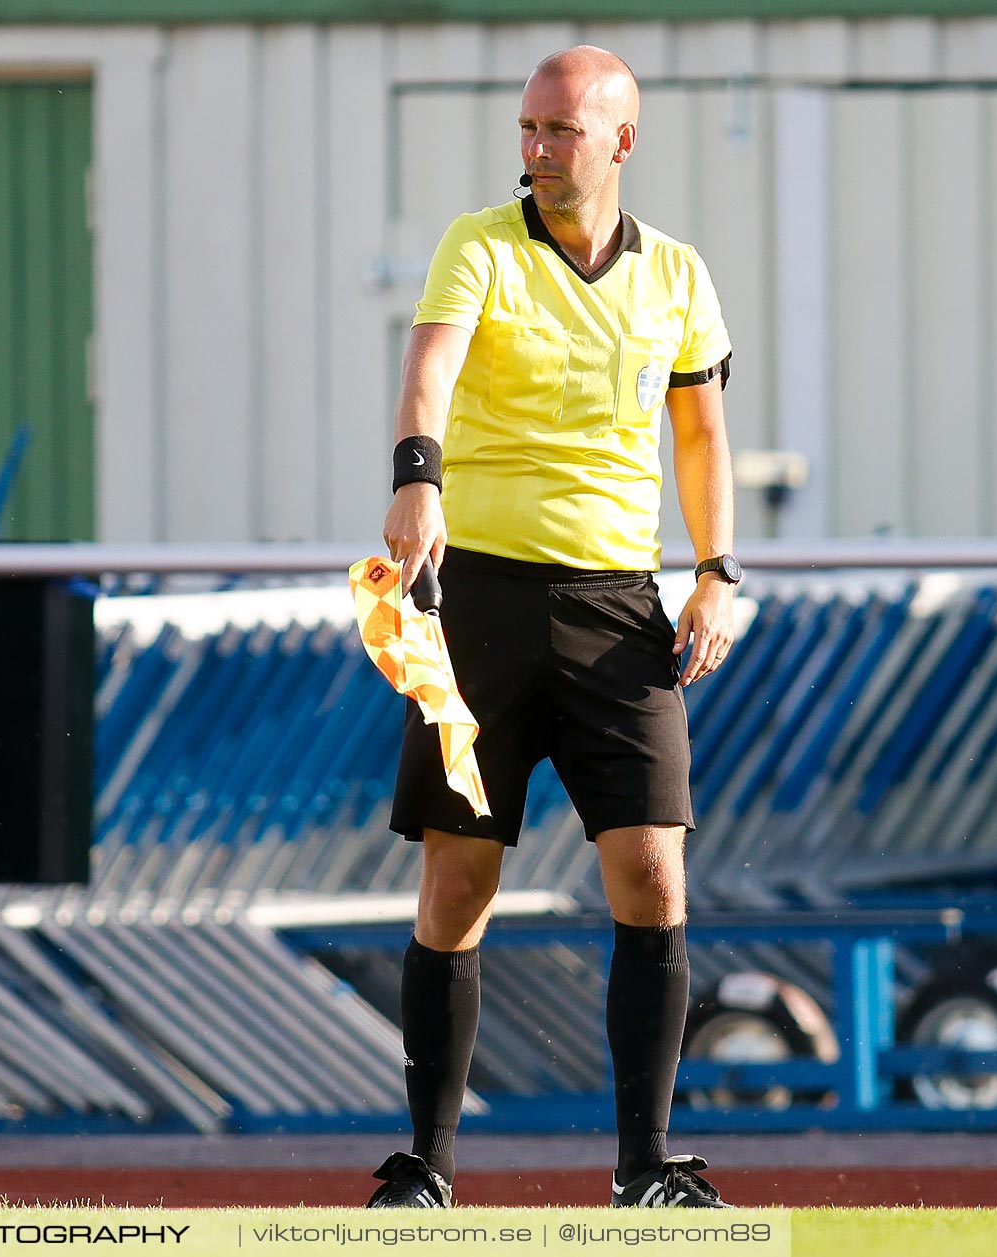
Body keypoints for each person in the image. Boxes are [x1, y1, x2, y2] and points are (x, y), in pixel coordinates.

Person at [366, 46, 740, 1211]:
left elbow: (700, 439)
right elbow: (430, 369)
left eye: (561, 130)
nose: (536, 147)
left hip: (618, 605)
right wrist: (417, 480)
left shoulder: (677, 273)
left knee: (654, 874)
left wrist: (717, 570)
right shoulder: (480, 243)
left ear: (621, 142)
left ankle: (645, 1173)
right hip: (475, 600)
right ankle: (426, 1167)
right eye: (529, 127)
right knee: (458, 886)